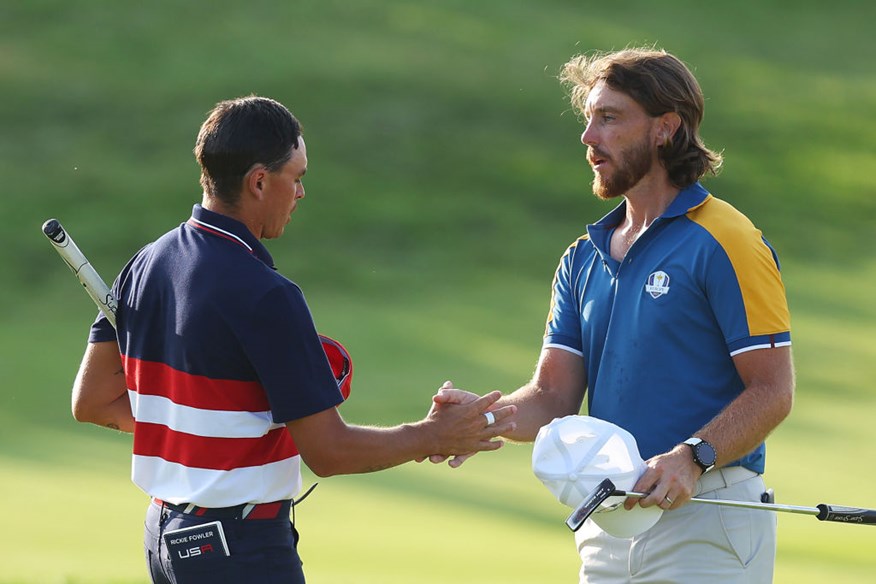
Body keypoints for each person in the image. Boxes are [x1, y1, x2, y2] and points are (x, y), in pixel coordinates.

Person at [70, 95, 516, 584]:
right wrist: (431, 435)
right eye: (296, 177)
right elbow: (329, 452)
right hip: (240, 551)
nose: (301, 192)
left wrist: (195, 430)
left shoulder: (144, 264)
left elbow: (91, 403)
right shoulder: (266, 294)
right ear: (259, 181)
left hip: (164, 537)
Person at [433, 47, 795, 583]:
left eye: (609, 119)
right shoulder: (583, 256)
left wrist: (692, 458)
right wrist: (484, 417)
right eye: (588, 120)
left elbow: (772, 391)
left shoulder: (728, 240)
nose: (588, 139)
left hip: (709, 518)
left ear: (664, 129)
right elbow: (553, 397)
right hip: (609, 523)